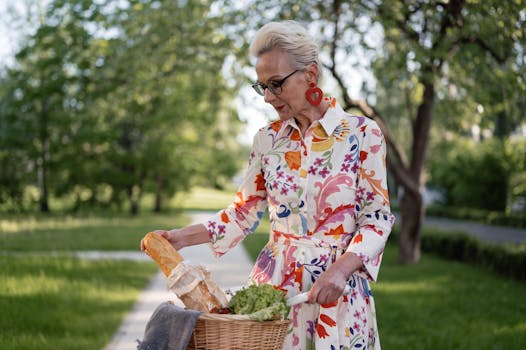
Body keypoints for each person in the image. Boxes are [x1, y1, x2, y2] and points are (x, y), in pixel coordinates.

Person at [142, 20, 394, 350]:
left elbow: (377, 218)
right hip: (275, 294)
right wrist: (179, 238)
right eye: (261, 86)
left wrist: (341, 270)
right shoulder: (267, 140)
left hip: (338, 291)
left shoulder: (363, 135)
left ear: (311, 75)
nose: (267, 98)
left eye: (276, 84)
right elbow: (240, 214)